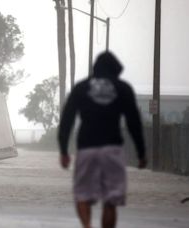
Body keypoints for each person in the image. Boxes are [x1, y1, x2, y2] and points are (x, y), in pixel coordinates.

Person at [58, 51, 147, 228]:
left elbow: (67, 119)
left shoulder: (81, 87)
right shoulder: (123, 88)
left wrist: (63, 151)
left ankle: (87, 226)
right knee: (110, 200)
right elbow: (133, 122)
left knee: (82, 195)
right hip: (112, 149)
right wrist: (141, 152)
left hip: (86, 148)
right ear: (115, 70)